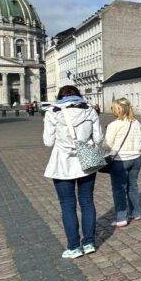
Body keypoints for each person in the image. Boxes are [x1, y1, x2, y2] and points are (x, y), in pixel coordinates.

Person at [43, 85, 102, 259]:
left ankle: (74, 247)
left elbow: (48, 141)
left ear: (60, 97)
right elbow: (98, 138)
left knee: (67, 205)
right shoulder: (89, 111)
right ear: (78, 96)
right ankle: (89, 243)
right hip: (87, 161)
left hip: (63, 164)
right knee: (87, 202)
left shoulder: (53, 113)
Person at [105, 97, 141, 227]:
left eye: (114, 109)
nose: (113, 111)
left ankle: (122, 217)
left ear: (119, 109)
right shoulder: (136, 123)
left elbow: (107, 145)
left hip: (120, 160)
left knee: (119, 189)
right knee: (133, 186)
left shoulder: (114, 125)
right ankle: (136, 212)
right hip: (136, 158)